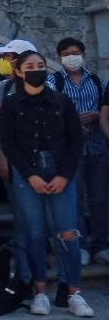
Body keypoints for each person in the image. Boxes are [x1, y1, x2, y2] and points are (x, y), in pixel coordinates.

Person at [0, 50, 95, 317]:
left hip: (60, 169)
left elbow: (76, 140)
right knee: (34, 233)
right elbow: (8, 142)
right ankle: (40, 292)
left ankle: (74, 291)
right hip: (28, 171)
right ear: (19, 71)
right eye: (30, 66)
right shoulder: (10, 104)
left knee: (67, 232)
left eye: (41, 65)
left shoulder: (61, 101)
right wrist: (30, 174)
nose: (37, 69)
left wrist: (65, 174)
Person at [47, 37, 109, 266]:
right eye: (66, 53)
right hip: (71, 152)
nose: (71, 56)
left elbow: (105, 109)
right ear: (60, 57)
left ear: (83, 54)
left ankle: (101, 244)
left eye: (75, 52)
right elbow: (53, 114)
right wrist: (73, 124)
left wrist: (95, 117)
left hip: (97, 147)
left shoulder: (97, 81)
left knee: (100, 199)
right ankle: (79, 246)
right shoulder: (54, 83)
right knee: (76, 201)